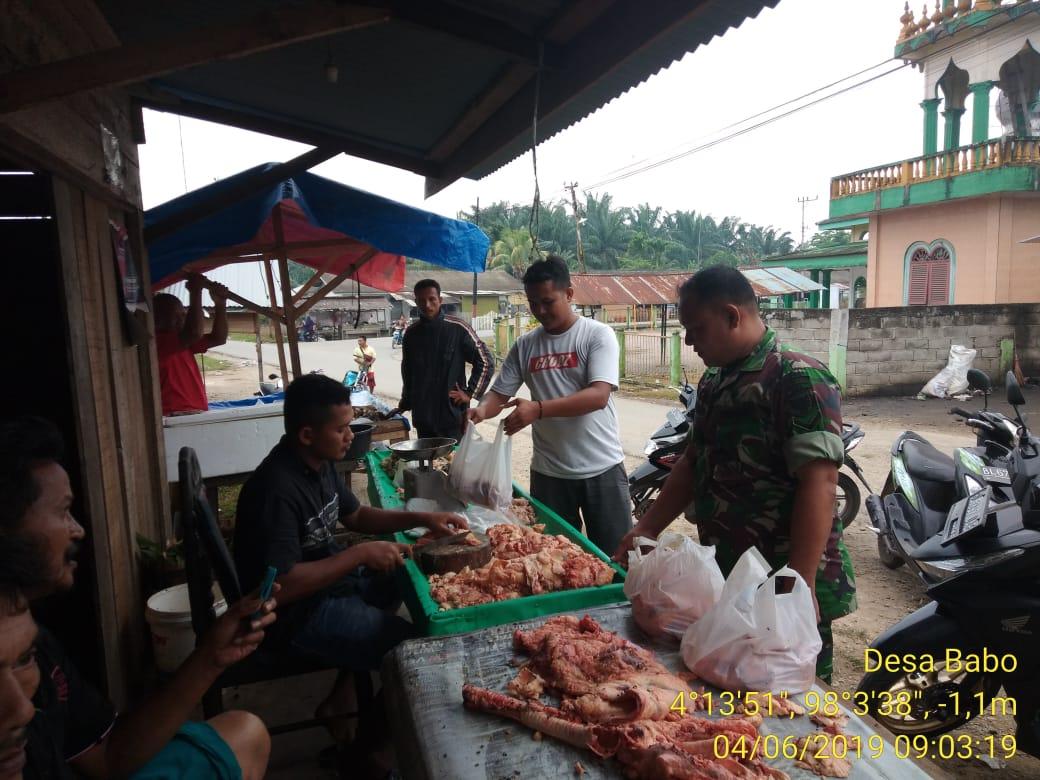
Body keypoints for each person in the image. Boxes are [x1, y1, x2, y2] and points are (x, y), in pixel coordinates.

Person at [612, 265, 857, 682]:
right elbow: (692, 460)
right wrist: (645, 528)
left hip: (785, 574)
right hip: (730, 572)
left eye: (697, 328)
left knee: (792, 703)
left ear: (731, 316)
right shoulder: (714, 382)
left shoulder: (796, 378)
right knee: (731, 689)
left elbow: (820, 483)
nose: (688, 341)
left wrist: (798, 582)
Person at [0, 417, 276, 779]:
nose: (77, 529)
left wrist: (210, 657)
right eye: (62, 510)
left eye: (22, 661)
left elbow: (110, 757)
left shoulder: (41, 645)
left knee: (246, 732)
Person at [232, 373, 466, 769]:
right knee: (414, 654)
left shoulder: (319, 462)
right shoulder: (276, 489)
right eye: (341, 428)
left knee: (408, 571)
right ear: (307, 434)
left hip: (331, 587)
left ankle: (342, 693)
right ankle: (366, 755)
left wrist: (426, 517)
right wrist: (358, 557)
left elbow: (356, 514)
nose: (349, 436)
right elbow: (278, 588)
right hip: (293, 615)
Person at [467, 255, 631, 554]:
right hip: (549, 475)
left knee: (616, 558)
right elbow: (499, 395)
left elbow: (599, 395)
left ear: (569, 294)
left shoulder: (596, 335)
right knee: (554, 559)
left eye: (547, 301)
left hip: (602, 470)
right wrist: (479, 411)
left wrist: (538, 409)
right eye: (532, 303)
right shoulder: (526, 345)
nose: (540, 311)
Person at [395, 279, 494, 439]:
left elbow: (486, 361)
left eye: (432, 299)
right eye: (422, 300)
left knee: (455, 462)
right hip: (423, 418)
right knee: (428, 461)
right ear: (416, 302)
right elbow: (408, 372)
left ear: (440, 300)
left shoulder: (458, 328)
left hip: (453, 416)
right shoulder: (411, 334)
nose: (427, 305)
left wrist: (470, 393)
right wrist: (405, 403)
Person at [154, 274, 230, 416]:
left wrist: (220, 305)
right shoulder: (157, 344)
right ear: (158, 319)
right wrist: (196, 292)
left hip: (192, 414)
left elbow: (218, 338)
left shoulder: (182, 342)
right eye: (176, 316)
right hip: (174, 416)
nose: (182, 320)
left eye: (183, 315)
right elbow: (194, 332)